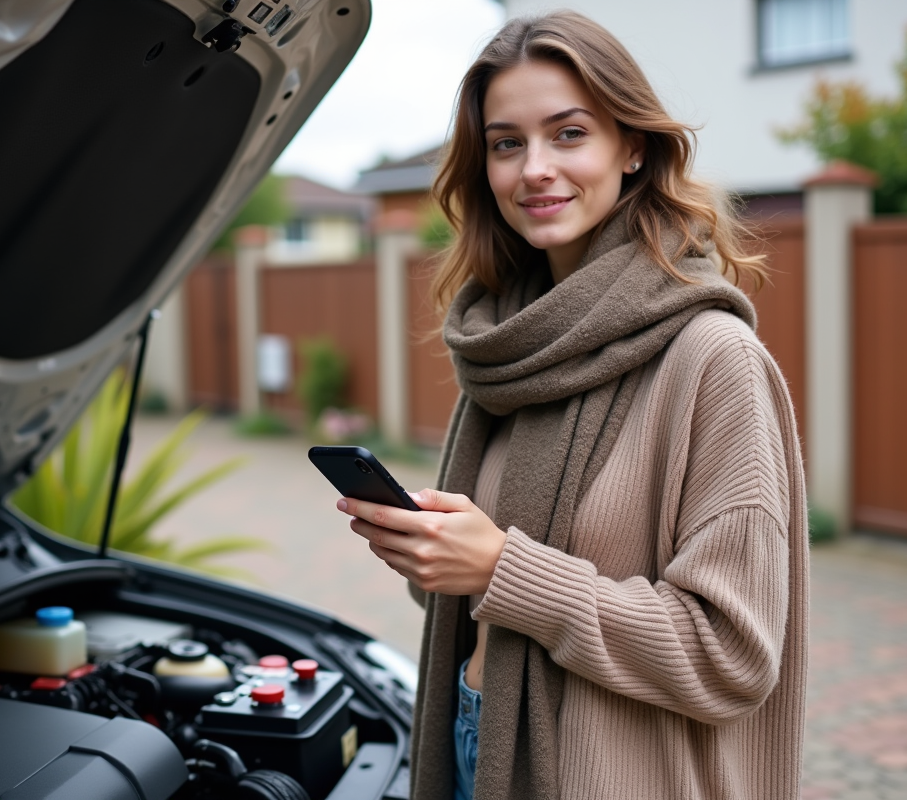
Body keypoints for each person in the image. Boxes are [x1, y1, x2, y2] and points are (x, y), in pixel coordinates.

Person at [335, 10, 808, 800]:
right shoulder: (510, 346)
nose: (535, 169)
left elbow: (731, 655)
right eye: (506, 143)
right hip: (472, 743)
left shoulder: (713, 362)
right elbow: (473, 593)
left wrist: (501, 565)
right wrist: (437, 553)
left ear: (631, 147)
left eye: (569, 133)